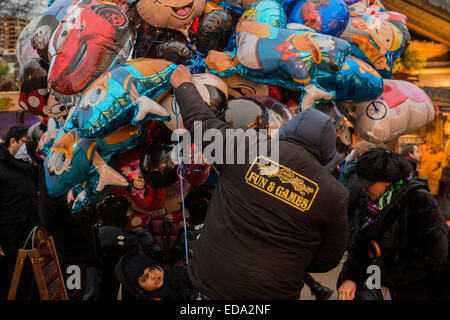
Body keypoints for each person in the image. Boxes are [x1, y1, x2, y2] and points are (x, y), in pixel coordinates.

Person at [170, 65, 349, 299]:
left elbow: (202, 124)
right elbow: (329, 258)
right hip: (274, 292)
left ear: (289, 130)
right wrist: (293, 259)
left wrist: (184, 86)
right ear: (326, 153)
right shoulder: (334, 195)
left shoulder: (246, 148)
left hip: (215, 284)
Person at [337, 148, 449, 300]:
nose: (364, 188)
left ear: (388, 181)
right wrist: (349, 277)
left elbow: (435, 253)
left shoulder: (419, 200)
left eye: (369, 183)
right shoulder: (373, 203)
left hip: (422, 291)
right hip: (384, 287)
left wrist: (378, 270)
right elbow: (360, 246)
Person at [0, 124, 39, 300]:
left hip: (29, 231)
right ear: (13, 141)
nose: (28, 146)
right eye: (25, 142)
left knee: (27, 282)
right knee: (7, 282)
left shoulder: (26, 165)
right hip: (7, 235)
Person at [115, 253, 194, 300]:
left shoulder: (176, 275)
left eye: (152, 269)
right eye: (145, 278)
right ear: (139, 289)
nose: (153, 276)